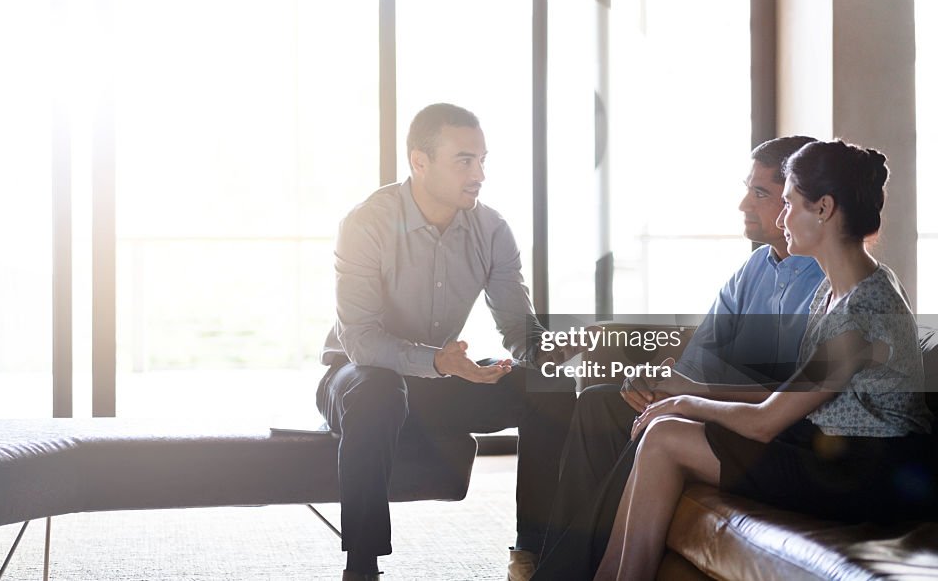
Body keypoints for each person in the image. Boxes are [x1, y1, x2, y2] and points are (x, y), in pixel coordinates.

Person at [593, 139, 934, 581]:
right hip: (830, 449)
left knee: (665, 436)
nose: (781, 217)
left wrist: (687, 402)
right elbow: (790, 397)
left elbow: (765, 422)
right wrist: (690, 394)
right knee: (663, 430)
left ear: (824, 209)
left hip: (865, 473)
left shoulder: (861, 311)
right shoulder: (836, 290)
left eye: (788, 203)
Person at [534, 136, 826, 581]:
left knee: (655, 426)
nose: (744, 203)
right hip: (717, 403)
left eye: (762, 194)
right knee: (599, 404)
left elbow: (786, 398)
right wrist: (655, 379)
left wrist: (688, 393)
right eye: (748, 189)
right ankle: (557, 562)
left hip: (759, 419)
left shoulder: (829, 280)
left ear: (798, 202)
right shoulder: (754, 268)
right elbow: (703, 350)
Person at [317, 103, 579, 581]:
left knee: (547, 388)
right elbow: (361, 341)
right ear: (420, 161)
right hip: (357, 381)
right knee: (377, 388)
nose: (479, 173)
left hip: (437, 383)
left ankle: (533, 554)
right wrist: (437, 361)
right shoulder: (367, 223)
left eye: (482, 160)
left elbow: (520, 330)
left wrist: (558, 352)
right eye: (464, 160)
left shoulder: (491, 229)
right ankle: (362, 565)